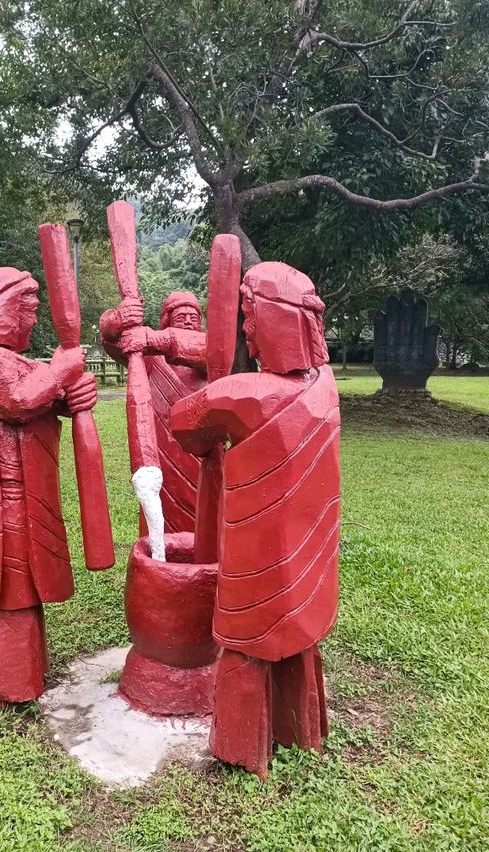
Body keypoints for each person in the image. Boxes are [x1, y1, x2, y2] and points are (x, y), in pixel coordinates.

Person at [171, 262, 340, 778]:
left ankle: (240, 748)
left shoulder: (242, 395)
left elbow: (184, 426)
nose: (244, 328)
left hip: (258, 564)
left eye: (249, 315)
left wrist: (214, 394)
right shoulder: (326, 386)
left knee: (245, 649)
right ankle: (300, 729)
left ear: (268, 319)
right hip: (310, 567)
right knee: (297, 637)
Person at [0, 267, 98, 705]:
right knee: (16, 589)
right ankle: (16, 685)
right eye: (29, 310)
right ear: (7, 311)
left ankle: (20, 673)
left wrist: (71, 393)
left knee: (24, 588)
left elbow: (39, 391)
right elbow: (20, 400)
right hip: (9, 502)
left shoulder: (9, 363)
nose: (35, 321)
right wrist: (62, 369)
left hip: (23, 497)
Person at [100, 291, 206, 534]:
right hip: (161, 452)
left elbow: (209, 353)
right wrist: (115, 320)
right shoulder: (151, 359)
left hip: (203, 454)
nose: (189, 321)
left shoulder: (209, 353)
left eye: (194, 316)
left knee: (206, 509)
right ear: (167, 320)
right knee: (158, 508)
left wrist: (152, 338)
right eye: (181, 317)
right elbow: (116, 342)